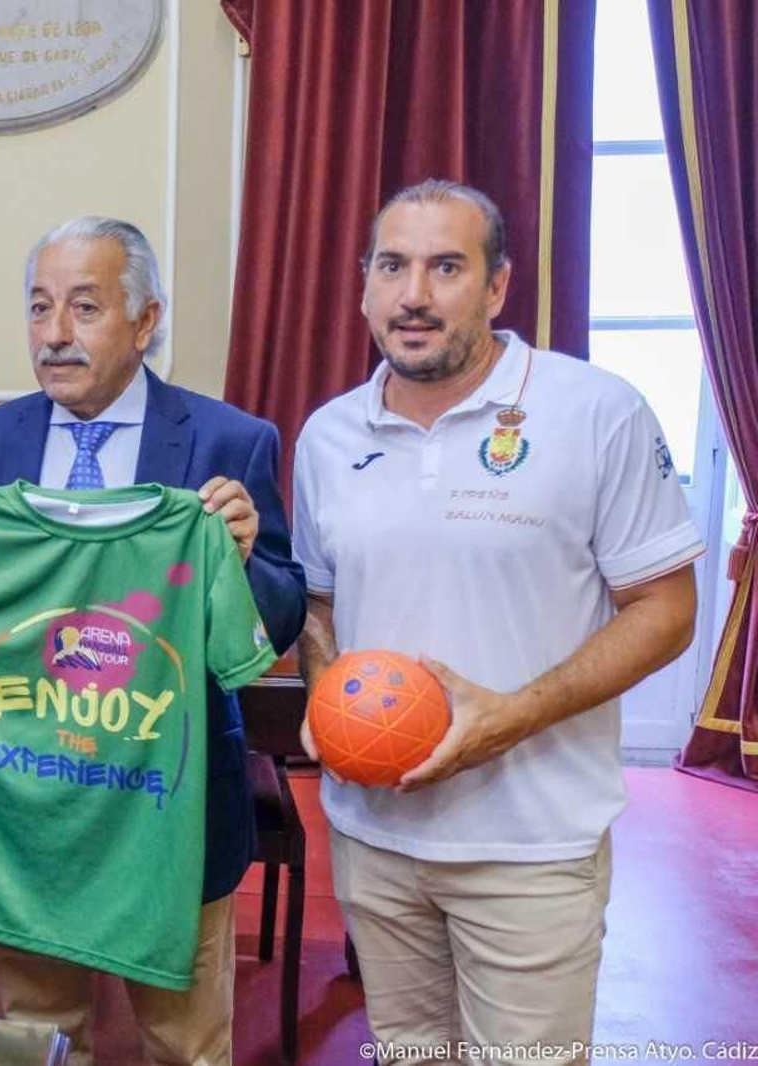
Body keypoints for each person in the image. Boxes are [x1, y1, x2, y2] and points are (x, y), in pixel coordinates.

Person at [0, 215, 306, 1065]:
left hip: (168, 805)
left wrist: (244, 560)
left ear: (145, 321)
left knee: (185, 1046)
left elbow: (277, 619)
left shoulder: (228, 442)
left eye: (85, 308)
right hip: (30, 801)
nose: (55, 333)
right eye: (39, 307)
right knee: (40, 1038)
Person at [292, 179, 701, 1063]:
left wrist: (511, 716)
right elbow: (320, 604)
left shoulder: (597, 411)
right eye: (392, 267)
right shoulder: (328, 436)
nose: (414, 295)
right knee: (410, 1053)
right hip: (373, 838)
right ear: (363, 286)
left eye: (447, 267)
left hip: (532, 847)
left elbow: (666, 610)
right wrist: (328, 691)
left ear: (497, 286)